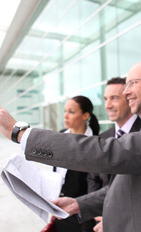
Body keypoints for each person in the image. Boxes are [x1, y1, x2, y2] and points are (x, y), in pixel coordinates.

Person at [0, 59, 141, 232]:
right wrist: (79, 204)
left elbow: (107, 153)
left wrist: (22, 133)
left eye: (132, 83)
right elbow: (130, 186)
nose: (126, 91)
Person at [52, 77, 141, 232]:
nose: (108, 105)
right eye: (106, 99)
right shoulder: (104, 137)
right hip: (93, 218)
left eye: (114, 98)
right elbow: (93, 178)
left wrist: (112, 216)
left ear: (130, 98)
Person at [45, 95, 98, 232]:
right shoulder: (61, 135)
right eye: (65, 111)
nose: (65, 116)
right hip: (60, 209)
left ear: (85, 115)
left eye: (71, 112)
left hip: (83, 213)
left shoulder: (96, 143)